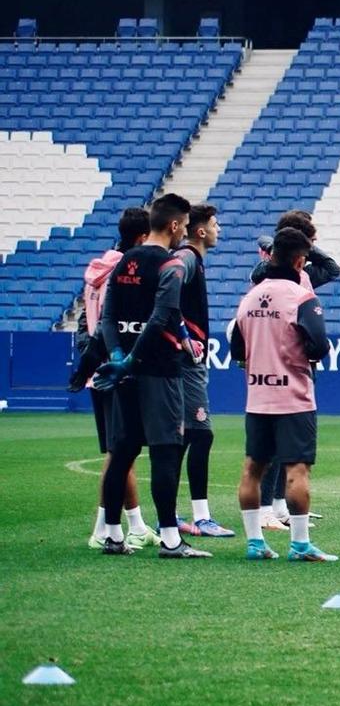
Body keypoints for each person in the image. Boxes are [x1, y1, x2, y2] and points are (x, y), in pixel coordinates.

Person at [95, 193, 205, 558]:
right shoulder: (170, 265)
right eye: (185, 227)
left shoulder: (125, 259)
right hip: (159, 371)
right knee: (166, 452)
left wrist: (117, 357)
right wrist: (132, 361)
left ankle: (113, 536)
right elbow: (161, 318)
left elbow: (107, 318)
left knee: (122, 451)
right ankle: (172, 540)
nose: (185, 233)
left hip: (124, 373)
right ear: (174, 225)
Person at [229, 226, 335, 562]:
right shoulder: (301, 298)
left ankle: (255, 543)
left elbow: (236, 347)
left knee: (252, 468)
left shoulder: (249, 298)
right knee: (297, 469)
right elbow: (319, 345)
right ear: (300, 261)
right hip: (293, 395)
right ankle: (300, 544)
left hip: (258, 394)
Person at [251, 210, 340, 532]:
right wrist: (291, 245)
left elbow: (333, 269)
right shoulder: (268, 270)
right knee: (271, 445)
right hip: (275, 360)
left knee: (285, 445)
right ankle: (263, 509)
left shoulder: (302, 272)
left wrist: (305, 247)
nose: (314, 248)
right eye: (310, 243)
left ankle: (279, 506)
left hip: (297, 359)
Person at [78, 206, 155, 550]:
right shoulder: (125, 273)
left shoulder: (96, 270)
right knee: (118, 452)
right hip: (117, 366)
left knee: (122, 451)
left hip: (99, 369)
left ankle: (136, 525)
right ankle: (102, 529)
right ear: (141, 237)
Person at [174, 202, 233, 539]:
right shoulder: (186, 259)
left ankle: (172, 515)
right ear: (200, 230)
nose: (218, 229)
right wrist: (184, 338)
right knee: (200, 433)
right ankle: (200, 517)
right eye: (214, 223)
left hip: (188, 361)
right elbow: (165, 297)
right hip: (186, 363)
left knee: (182, 437)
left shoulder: (193, 261)